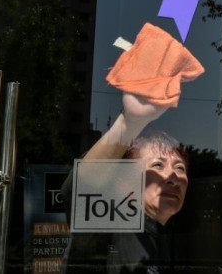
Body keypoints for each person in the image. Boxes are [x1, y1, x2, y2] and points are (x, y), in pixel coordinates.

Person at [61, 93, 188, 273]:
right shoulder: (111, 225)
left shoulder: (161, 239)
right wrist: (129, 123)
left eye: (180, 168)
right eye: (158, 165)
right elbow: (81, 188)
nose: (173, 175)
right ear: (125, 181)